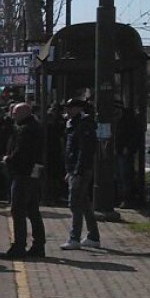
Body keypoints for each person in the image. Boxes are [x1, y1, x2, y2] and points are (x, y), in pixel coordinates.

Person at [2, 102, 46, 259]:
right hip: (33, 174)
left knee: (18, 210)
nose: (12, 116)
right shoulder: (35, 126)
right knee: (33, 210)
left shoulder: (25, 130)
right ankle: (39, 245)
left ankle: (19, 246)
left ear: (24, 113)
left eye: (15, 113)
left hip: (22, 174)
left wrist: (8, 159)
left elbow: (21, 153)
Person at [62, 98, 102, 250]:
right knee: (84, 203)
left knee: (75, 203)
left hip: (80, 170)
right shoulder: (73, 123)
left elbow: (83, 151)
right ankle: (93, 236)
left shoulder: (84, 124)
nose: (68, 110)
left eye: (71, 107)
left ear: (79, 108)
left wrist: (77, 171)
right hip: (74, 169)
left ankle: (74, 238)